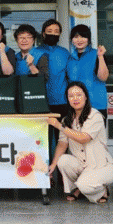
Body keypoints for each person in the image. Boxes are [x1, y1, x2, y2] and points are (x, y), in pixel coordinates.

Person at [47, 81, 113, 203]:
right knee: (62, 161)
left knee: (85, 185)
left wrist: (59, 126)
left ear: (86, 97)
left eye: (79, 95)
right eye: (71, 96)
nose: (75, 99)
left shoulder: (95, 116)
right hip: (81, 164)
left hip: (100, 166)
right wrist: (53, 165)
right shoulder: (67, 120)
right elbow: (62, 144)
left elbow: (84, 138)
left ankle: (101, 190)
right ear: (67, 99)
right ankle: (80, 187)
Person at [36, 19, 70, 162]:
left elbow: (69, 76)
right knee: (40, 139)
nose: (53, 34)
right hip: (40, 102)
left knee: (62, 139)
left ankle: (61, 171)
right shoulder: (35, 52)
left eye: (56, 32)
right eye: (49, 31)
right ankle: (43, 170)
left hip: (61, 102)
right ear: (43, 34)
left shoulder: (65, 53)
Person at [66, 24, 109, 121]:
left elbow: (103, 77)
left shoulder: (97, 54)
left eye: (83, 36)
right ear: (72, 40)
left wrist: (101, 56)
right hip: (76, 106)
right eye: (76, 37)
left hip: (96, 105)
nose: (79, 40)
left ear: (88, 39)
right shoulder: (70, 58)